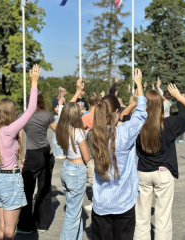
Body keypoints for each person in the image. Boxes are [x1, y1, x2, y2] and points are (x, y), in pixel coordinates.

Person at [89, 69, 147, 240]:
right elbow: (141, 113)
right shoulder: (124, 134)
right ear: (116, 113)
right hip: (124, 203)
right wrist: (138, 85)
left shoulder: (91, 136)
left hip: (101, 204)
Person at [134, 84, 185, 240]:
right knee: (163, 219)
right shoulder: (169, 123)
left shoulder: (138, 123)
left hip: (142, 173)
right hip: (163, 173)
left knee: (141, 219)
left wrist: (137, 98)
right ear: (161, 105)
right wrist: (179, 97)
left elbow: (121, 116)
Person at [0, 65, 40, 240]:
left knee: (2, 229)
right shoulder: (9, 130)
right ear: (11, 113)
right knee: (10, 232)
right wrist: (34, 83)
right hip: (9, 181)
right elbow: (31, 109)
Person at [16, 91, 57, 234]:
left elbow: (19, 136)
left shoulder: (23, 116)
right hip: (46, 153)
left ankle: (26, 226)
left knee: (27, 190)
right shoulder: (47, 115)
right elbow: (57, 130)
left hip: (32, 154)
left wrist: (20, 156)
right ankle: (42, 224)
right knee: (44, 189)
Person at [56, 79, 90, 240]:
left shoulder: (63, 128)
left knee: (75, 213)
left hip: (66, 168)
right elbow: (87, 157)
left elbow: (65, 111)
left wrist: (77, 91)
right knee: (73, 215)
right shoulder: (78, 132)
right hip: (77, 171)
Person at [81, 92, 101, 211]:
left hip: (90, 149)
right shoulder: (102, 116)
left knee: (93, 175)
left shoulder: (85, 117)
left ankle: (95, 201)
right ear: (99, 102)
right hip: (102, 147)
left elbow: (81, 135)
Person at [52, 87, 66, 159]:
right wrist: (60, 104)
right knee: (56, 135)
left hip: (63, 118)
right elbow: (56, 111)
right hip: (57, 118)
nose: (65, 93)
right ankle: (57, 153)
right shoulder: (55, 100)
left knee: (62, 136)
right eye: (64, 91)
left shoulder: (63, 100)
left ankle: (61, 152)